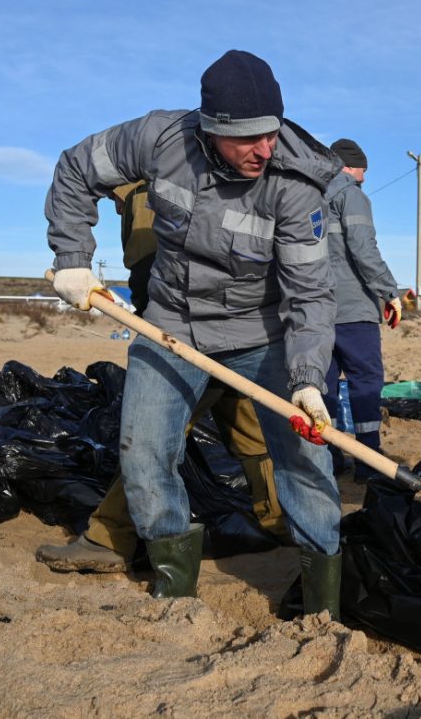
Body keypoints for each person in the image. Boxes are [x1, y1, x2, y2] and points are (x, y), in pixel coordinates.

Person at [44, 50, 343, 617]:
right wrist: (73, 256)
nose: (264, 150)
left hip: (265, 334)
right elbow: (76, 168)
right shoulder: (160, 138)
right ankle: (174, 593)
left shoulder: (296, 184)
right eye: (247, 139)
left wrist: (306, 379)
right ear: (210, 129)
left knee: (305, 458)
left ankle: (322, 600)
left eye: (271, 134)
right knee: (144, 450)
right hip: (171, 325)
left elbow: (309, 295)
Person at [37, 181, 288, 573]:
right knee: (249, 427)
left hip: (187, 335)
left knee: (154, 435)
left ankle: (109, 537)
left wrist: (154, 327)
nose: (113, 209)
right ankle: (279, 519)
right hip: (232, 325)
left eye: (111, 201)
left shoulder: (143, 197)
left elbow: (148, 274)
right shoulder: (181, 186)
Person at [322, 138, 402, 482]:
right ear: (349, 166)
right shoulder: (350, 194)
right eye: (362, 170)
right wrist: (390, 291)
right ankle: (368, 459)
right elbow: (364, 250)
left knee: (323, 385)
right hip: (354, 309)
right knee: (366, 383)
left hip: (317, 310)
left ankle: (328, 458)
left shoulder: (309, 196)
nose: (364, 179)